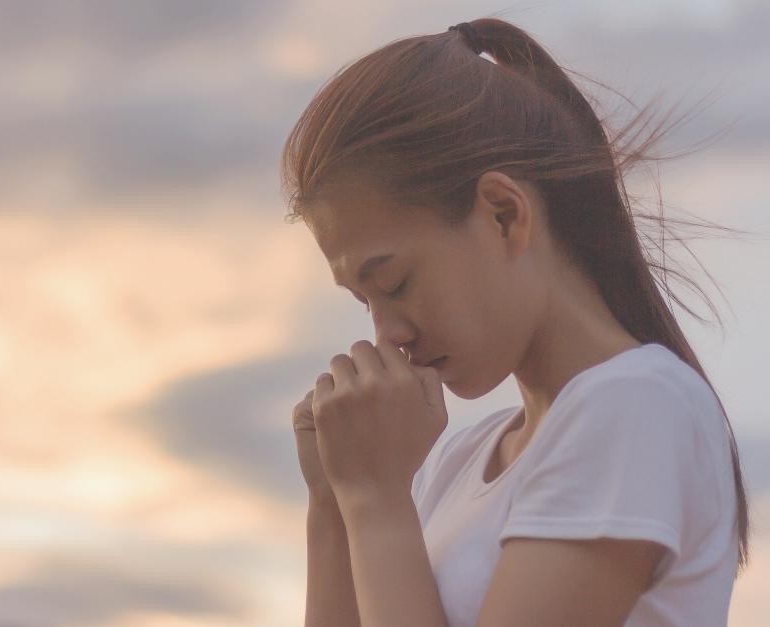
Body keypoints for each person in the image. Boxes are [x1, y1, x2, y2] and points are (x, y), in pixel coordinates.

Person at [283, 18, 745, 627]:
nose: (386, 333)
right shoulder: (459, 464)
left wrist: (376, 501)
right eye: (363, 301)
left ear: (504, 214)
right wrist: (334, 503)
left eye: (395, 284)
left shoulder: (636, 406)